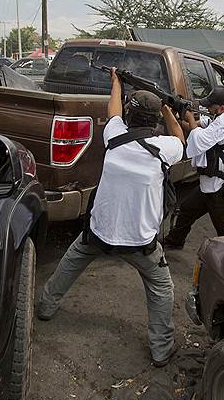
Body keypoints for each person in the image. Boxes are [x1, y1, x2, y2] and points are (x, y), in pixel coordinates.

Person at [37, 68, 186, 367]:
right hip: (141, 243)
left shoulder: (114, 137)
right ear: (154, 121)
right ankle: (161, 349)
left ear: (129, 116)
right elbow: (180, 136)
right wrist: (169, 108)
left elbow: (113, 109)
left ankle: (45, 306)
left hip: (99, 232)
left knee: (70, 261)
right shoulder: (165, 148)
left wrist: (115, 82)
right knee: (161, 288)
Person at [164, 88, 224, 248]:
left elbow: (199, 139)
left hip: (223, 190)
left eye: (211, 106)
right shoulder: (222, 118)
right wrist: (177, 116)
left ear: (221, 108)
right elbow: (196, 127)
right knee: (186, 211)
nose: (207, 109)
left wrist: (189, 116)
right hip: (209, 185)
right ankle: (175, 241)